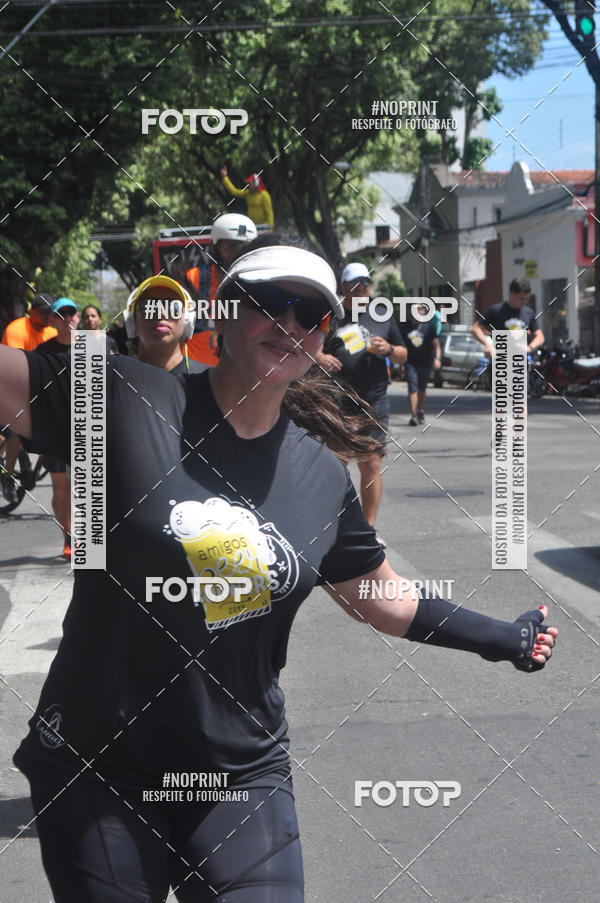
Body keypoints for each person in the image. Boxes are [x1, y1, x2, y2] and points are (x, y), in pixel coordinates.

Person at [1, 240, 557, 903]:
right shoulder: (122, 397)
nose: (290, 324)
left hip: (238, 770)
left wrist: (505, 637)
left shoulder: (320, 477)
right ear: (224, 315)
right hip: (99, 767)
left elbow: (384, 597)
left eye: (310, 313)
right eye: (269, 304)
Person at [315, 261, 406, 544]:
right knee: (335, 465)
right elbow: (306, 343)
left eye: (365, 283)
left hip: (374, 399)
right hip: (337, 399)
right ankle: (336, 524)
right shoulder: (331, 314)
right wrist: (320, 357)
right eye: (355, 284)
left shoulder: (382, 314)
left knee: (371, 465)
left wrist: (389, 349)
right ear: (344, 288)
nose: (362, 288)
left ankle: (367, 529)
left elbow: (403, 354)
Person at [35, 298, 81, 559]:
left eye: (70, 313)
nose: (66, 319)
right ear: (52, 320)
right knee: (61, 488)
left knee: (90, 486)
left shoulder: (93, 346)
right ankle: (69, 537)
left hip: (89, 426)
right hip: (55, 427)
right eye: (60, 314)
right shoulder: (43, 351)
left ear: (77, 318)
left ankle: (91, 538)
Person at [0, 293, 57, 503]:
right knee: (21, 425)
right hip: (11, 385)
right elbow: (15, 369)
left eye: (51, 312)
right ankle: (7, 476)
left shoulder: (53, 332)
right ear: (31, 311)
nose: (47, 316)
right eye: (43, 312)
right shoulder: (17, 329)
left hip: (40, 387)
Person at [185, 214, 258, 367]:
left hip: (242, 376)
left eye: (245, 248)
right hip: (197, 375)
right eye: (231, 247)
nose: (238, 254)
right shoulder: (193, 279)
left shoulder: (260, 285)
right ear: (214, 247)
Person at [124, 274, 205, 375]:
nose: (161, 313)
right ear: (132, 320)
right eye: (149, 306)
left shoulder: (209, 380)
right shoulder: (114, 380)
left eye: (174, 306)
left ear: (187, 320)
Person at [472, 277, 545, 357]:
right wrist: (487, 344)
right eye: (521, 298)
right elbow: (476, 328)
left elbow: (540, 337)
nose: (524, 302)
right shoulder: (496, 310)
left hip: (520, 363)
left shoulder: (528, 313)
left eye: (526, 299)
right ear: (512, 294)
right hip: (500, 362)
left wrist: (529, 348)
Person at [399, 301, 441, 426]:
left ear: (423, 311)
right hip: (410, 362)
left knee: (422, 389)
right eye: (414, 309)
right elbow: (402, 347)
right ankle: (414, 415)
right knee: (412, 386)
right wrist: (401, 364)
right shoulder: (405, 327)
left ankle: (420, 409)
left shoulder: (429, 326)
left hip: (425, 362)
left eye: (420, 309)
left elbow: (436, 344)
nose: (417, 311)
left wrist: (438, 358)